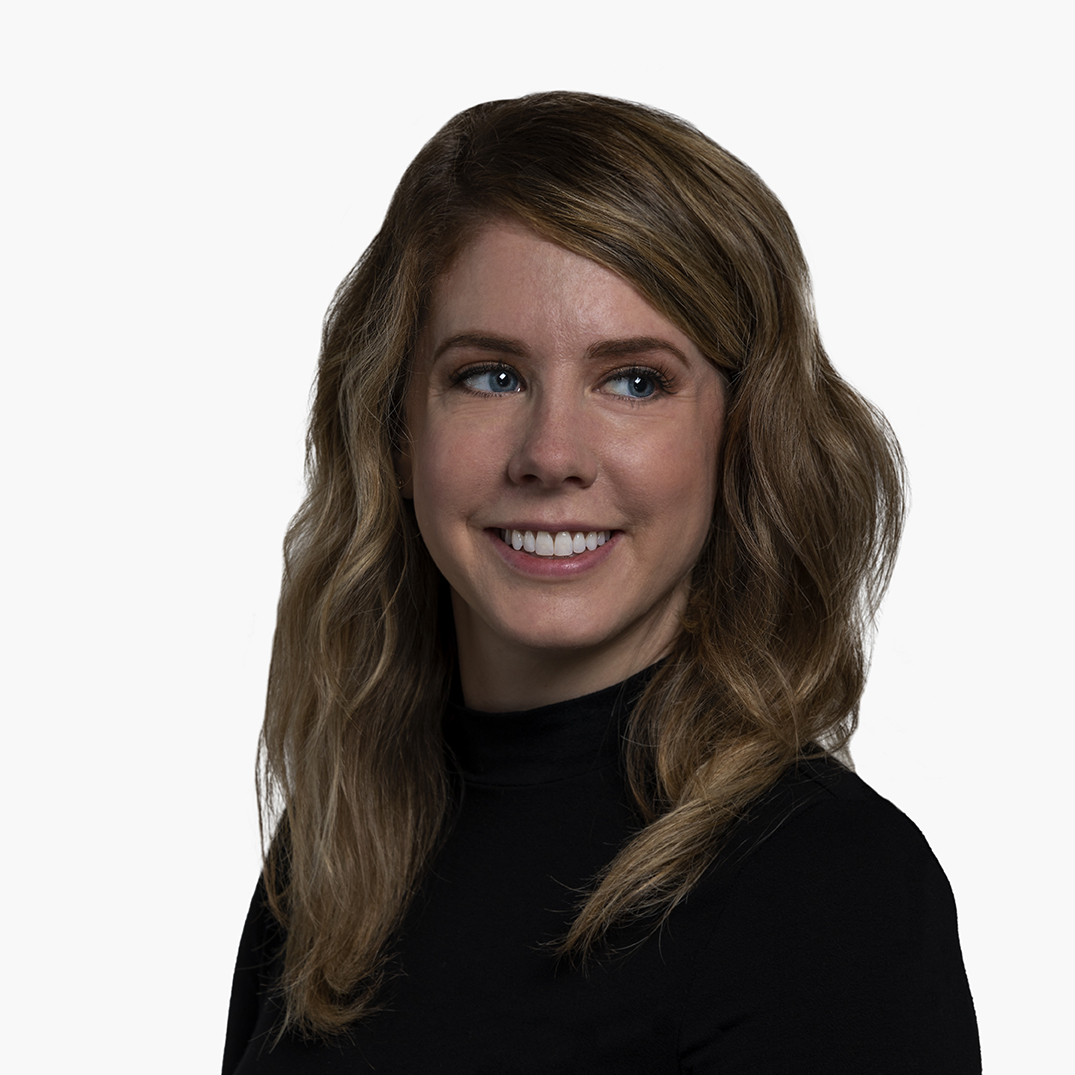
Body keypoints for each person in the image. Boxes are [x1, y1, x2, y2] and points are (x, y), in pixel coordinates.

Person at [222, 92, 980, 1073]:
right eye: (489, 375)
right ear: (395, 426)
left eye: (633, 380)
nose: (551, 454)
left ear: (738, 435)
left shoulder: (828, 888)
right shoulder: (333, 856)